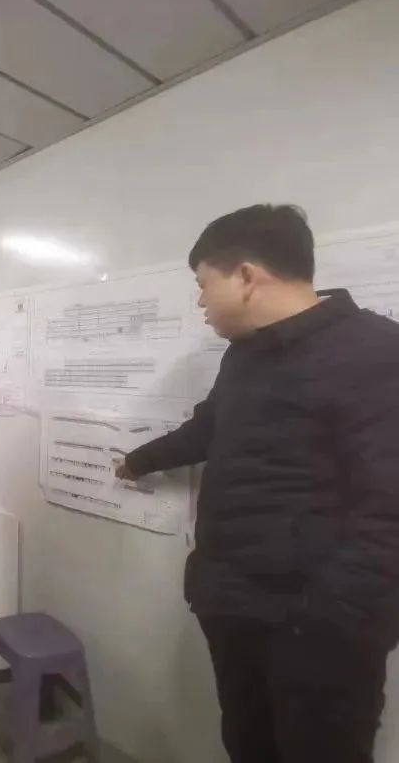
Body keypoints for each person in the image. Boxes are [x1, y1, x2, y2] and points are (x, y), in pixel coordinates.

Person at [115, 205, 399, 763]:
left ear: (246, 275)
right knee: (247, 744)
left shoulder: (377, 351)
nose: (200, 303)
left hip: (320, 631)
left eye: (203, 285)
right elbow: (209, 427)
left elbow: (389, 509)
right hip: (233, 605)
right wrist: (141, 460)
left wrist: (334, 622)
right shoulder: (245, 354)